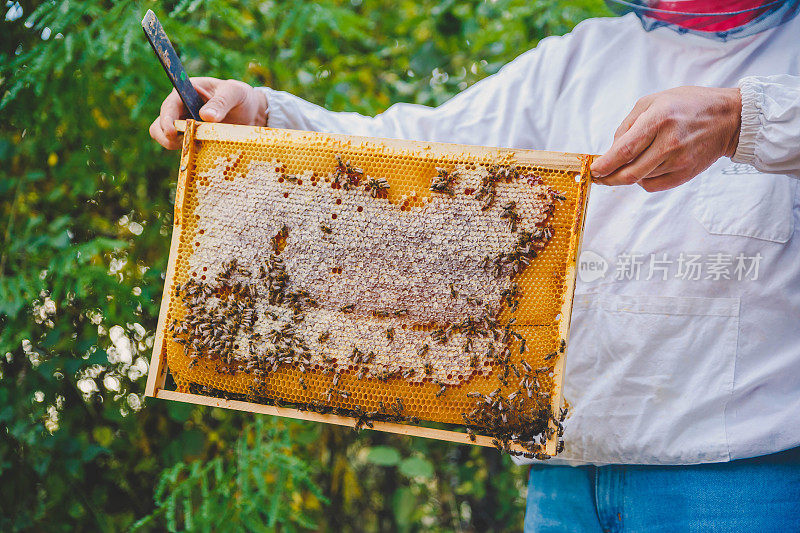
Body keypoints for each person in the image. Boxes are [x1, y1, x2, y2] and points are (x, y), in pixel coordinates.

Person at [151, 1, 800, 530]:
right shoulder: (581, 58)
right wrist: (263, 115)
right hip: (564, 487)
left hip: (742, 484)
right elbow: (415, 154)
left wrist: (744, 116)